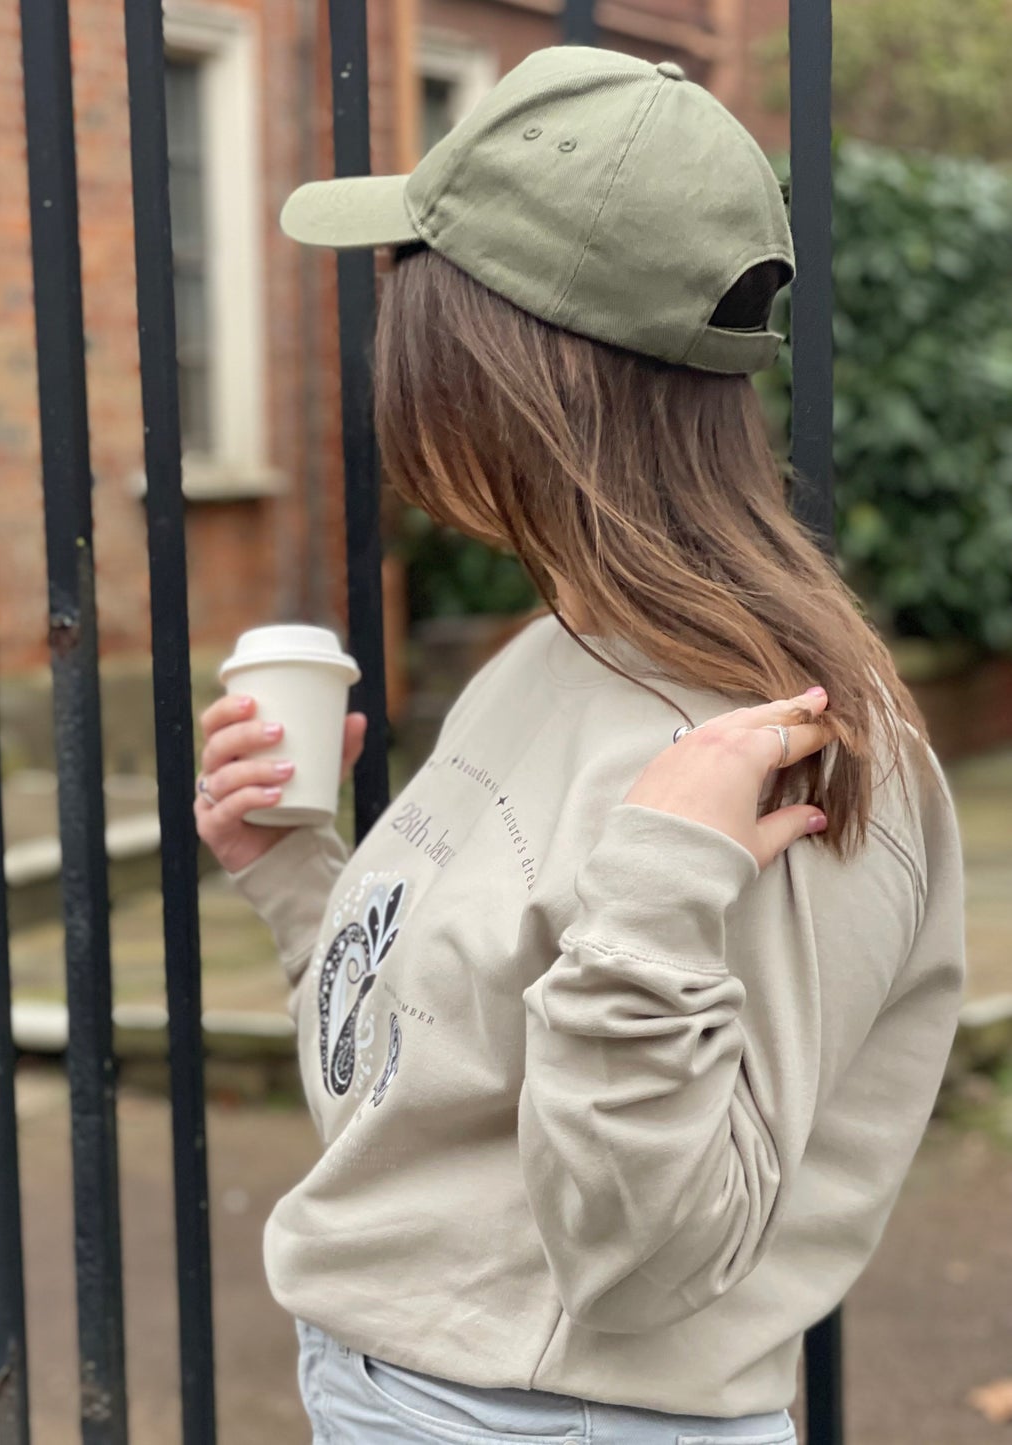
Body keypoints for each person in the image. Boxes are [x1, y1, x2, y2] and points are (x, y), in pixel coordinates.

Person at [194, 46, 965, 1445]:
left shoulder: (774, 749)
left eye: (406, 299)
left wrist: (658, 889)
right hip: (397, 1389)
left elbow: (651, 1260)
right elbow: (427, 1088)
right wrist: (297, 879)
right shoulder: (555, 651)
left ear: (498, 367)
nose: (385, 344)